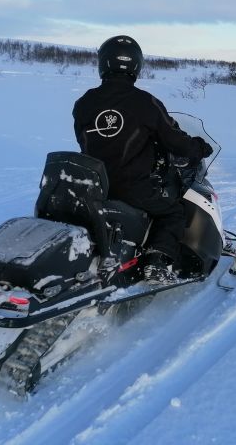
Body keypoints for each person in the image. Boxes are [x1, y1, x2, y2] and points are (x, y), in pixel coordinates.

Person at [72, 36, 213, 283]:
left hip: (93, 186)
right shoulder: (146, 103)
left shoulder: (84, 102)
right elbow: (175, 140)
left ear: (103, 63)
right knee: (173, 211)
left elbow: (83, 141)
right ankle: (155, 261)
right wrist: (199, 148)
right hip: (132, 187)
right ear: (136, 65)